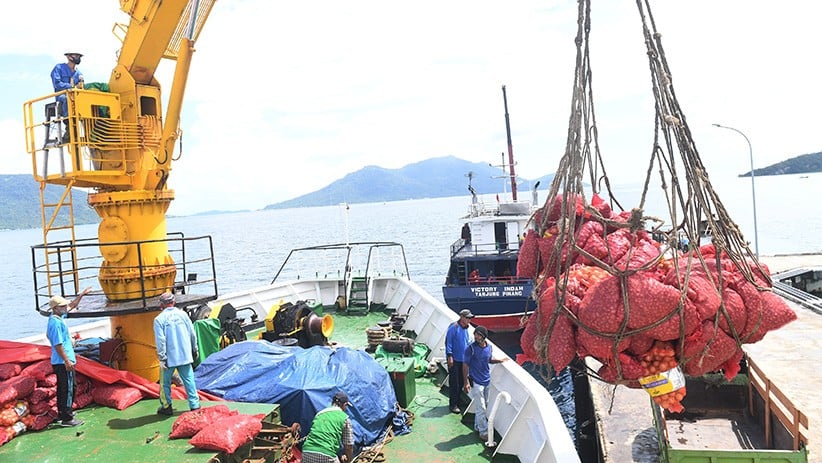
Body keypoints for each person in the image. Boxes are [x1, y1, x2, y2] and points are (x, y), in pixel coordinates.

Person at [47, 287, 92, 427]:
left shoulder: (58, 317)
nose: (65, 307)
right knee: (69, 388)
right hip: (63, 361)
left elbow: (72, 305)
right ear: (55, 308)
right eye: (62, 306)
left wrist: (81, 295)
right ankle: (67, 418)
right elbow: (58, 344)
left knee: (64, 387)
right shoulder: (55, 323)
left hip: (62, 360)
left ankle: (62, 413)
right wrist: (67, 360)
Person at [153, 291, 200, 416]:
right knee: (189, 380)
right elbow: (192, 333)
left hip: (169, 358)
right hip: (185, 355)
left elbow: (161, 340)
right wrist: (194, 349)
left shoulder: (159, 320)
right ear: (173, 302)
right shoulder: (183, 315)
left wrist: (162, 358)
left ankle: (166, 407)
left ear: (161, 305)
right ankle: (194, 405)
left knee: (165, 383)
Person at [463, 325, 508, 441]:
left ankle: (477, 426)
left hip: (486, 381)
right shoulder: (470, 349)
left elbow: (488, 359)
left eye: (478, 335)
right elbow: (465, 365)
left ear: (484, 337)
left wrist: (500, 360)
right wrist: (466, 382)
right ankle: (483, 432)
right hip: (476, 382)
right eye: (475, 334)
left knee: (485, 405)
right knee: (481, 407)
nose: (476, 337)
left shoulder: (489, 347)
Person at [301, 391, 354, 463]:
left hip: (307, 452)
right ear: (344, 405)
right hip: (326, 454)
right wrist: (349, 460)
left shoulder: (319, 414)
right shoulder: (344, 418)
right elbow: (348, 446)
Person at [445, 308, 474, 414]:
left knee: (462, 381)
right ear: (461, 317)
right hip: (455, 360)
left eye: (470, 318)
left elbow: (467, 342)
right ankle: (453, 404)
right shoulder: (454, 328)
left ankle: (457, 400)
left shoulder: (466, 329)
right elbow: (449, 343)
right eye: (467, 318)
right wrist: (450, 357)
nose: (469, 320)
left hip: (464, 360)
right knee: (455, 383)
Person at [51, 52, 84, 142]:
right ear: (69, 56)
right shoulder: (59, 68)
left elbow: (81, 87)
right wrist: (72, 87)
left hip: (75, 96)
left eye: (79, 56)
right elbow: (57, 84)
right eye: (76, 56)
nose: (78, 58)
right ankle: (69, 127)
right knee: (66, 98)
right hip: (62, 96)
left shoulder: (79, 73)